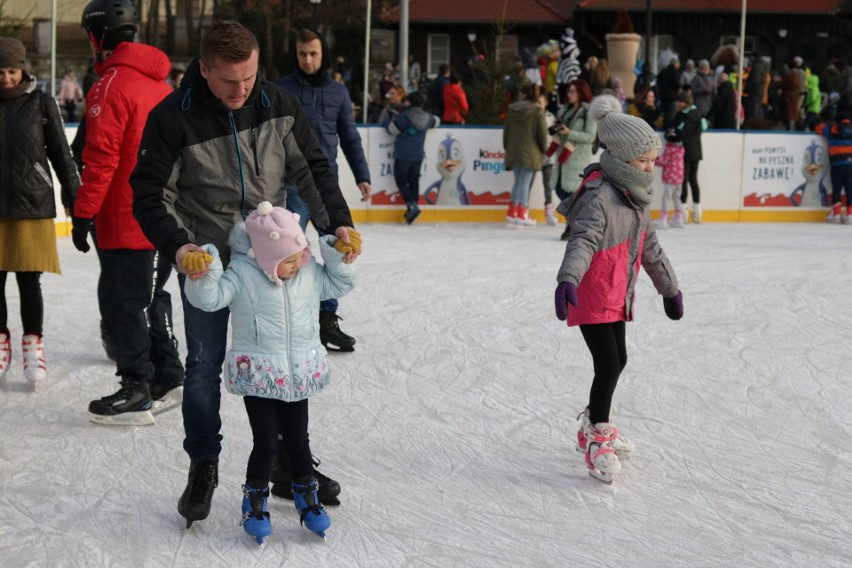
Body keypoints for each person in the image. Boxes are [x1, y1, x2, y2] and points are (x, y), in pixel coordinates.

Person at [131, 20, 360, 529]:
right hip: (208, 261)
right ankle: (204, 464)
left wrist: (337, 225)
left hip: (273, 257)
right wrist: (181, 245)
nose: (242, 90)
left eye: (250, 78)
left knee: (284, 356)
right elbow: (149, 192)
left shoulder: (277, 103)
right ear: (205, 69)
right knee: (204, 366)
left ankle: (286, 461)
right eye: (229, 81)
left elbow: (314, 169)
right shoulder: (173, 118)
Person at [183, 202, 356, 543]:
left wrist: (335, 254)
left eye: (299, 255)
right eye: (288, 260)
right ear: (264, 257)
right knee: (264, 443)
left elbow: (339, 283)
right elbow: (210, 299)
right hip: (260, 378)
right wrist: (205, 272)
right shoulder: (243, 274)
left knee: (298, 441)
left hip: (297, 376)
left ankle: (307, 496)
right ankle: (254, 499)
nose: (297, 264)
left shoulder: (308, 271)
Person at [554, 94, 683, 483]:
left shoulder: (637, 197)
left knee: (618, 360)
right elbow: (583, 241)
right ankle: (597, 437)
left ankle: (592, 423)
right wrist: (567, 280)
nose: (650, 167)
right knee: (608, 364)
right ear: (621, 157)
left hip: (617, 294)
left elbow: (651, 249)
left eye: (651, 160)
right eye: (643, 161)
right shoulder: (600, 195)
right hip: (591, 293)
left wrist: (669, 289)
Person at [72, 0, 185, 425]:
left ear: (96, 36)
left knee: (125, 303)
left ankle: (137, 387)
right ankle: (169, 376)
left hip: (125, 214)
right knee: (150, 297)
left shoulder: (110, 85)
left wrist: (83, 213)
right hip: (164, 215)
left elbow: (100, 158)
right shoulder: (162, 83)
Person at [274, 27, 371, 356]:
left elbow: (350, 137)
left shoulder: (338, 92)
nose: (308, 60)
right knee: (288, 253)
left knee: (334, 251)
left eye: (313, 54)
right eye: (302, 54)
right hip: (290, 185)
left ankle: (327, 319)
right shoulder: (280, 89)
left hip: (326, 185)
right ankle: (292, 319)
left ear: (323, 54)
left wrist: (362, 175)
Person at [0, 37, 80, 385]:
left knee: (29, 281)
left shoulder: (41, 103)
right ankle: (0, 341)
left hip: (32, 204)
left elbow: (63, 156)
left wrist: (76, 202)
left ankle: (33, 343)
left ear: (23, 69)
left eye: (12, 70)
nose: (5, 78)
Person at [548, 79, 597, 240]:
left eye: (573, 91)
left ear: (581, 92)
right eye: (569, 91)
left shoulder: (588, 113)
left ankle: (572, 226)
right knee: (559, 189)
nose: (569, 94)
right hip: (563, 157)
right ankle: (575, 223)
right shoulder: (565, 111)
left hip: (577, 158)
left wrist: (569, 132)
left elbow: (590, 136)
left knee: (573, 193)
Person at [384, 91, 440, 224]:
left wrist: (387, 121)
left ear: (409, 102)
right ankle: (413, 206)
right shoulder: (427, 118)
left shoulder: (405, 117)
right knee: (414, 181)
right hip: (418, 156)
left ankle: (412, 205)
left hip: (403, 155)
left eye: (406, 101)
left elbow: (392, 129)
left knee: (402, 182)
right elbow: (437, 121)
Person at [503, 83, 547, 227]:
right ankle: (522, 214)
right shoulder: (537, 111)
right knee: (524, 182)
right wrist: (543, 148)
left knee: (518, 181)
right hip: (531, 151)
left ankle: (512, 212)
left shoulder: (512, 110)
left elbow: (506, 133)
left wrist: (508, 148)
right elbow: (542, 134)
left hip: (514, 151)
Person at [672, 91, 705, 223]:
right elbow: (703, 128)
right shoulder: (698, 114)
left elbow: (676, 132)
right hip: (696, 150)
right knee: (693, 180)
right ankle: (697, 211)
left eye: (679, 102)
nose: (677, 104)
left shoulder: (681, 116)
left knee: (683, 180)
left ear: (684, 103)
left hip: (684, 150)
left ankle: (683, 211)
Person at [816, 110, 852, 223]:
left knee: (836, 189)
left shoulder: (832, 129)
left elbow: (819, 128)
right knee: (850, 189)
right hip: (850, 164)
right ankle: (850, 214)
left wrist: (821, 121)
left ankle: (836, 214)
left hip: (836, 165)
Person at [654, 128, 686, 229]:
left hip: (670, 177)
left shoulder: (669, 150)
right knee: (677, 197)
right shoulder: (681, 150)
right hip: (679, 177)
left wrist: (652, 160)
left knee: (666, 197)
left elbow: (663, 161)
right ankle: (679, 217)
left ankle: (663, 219)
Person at [656, 55, 682, 128]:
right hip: (671, 97)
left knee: (663, 113)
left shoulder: (662, 72)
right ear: (675, 64)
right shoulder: (674, 72)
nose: (679, 66)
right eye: (679, 64)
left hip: (662, 96)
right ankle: (668, 128)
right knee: (670, 115)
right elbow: (676, 83)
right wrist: (679, 88)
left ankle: (662, 126)